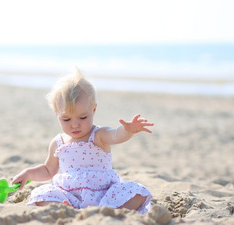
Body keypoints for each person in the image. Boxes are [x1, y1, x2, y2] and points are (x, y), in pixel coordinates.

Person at [12, 69, 154, 213]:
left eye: (83, 117)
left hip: (103, 195)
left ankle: (106, 210)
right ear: (57, 114)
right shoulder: (58, 143)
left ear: (93, 110)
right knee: (41, 194)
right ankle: (65, 208)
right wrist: (28, 173)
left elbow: (116, 135)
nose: (75, 124)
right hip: (70, 195)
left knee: (136, 192)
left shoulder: (98, 135)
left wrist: (128, 131)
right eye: (66, 119)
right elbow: (48, 170)